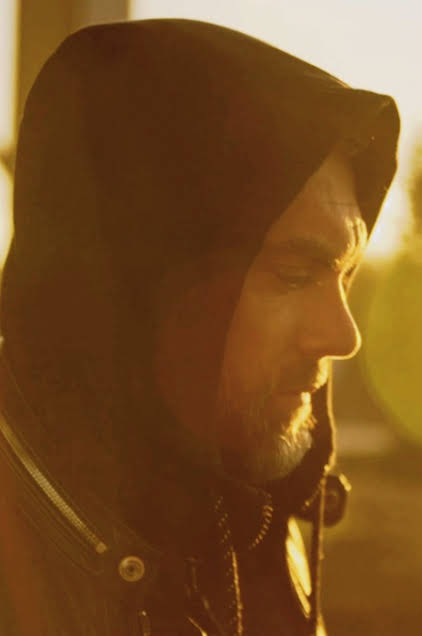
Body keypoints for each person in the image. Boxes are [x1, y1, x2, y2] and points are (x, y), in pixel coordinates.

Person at [0, 18, 399, 636]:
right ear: (138, 283)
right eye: (294, 275)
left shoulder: (251, 520)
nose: (344, 336)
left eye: (344, 276)